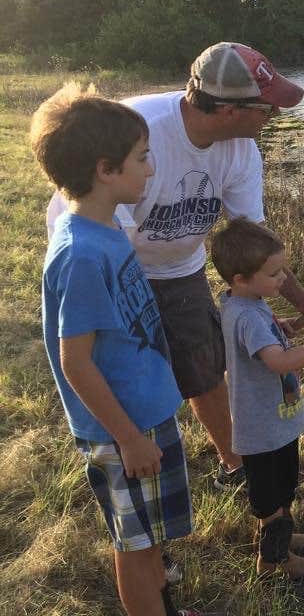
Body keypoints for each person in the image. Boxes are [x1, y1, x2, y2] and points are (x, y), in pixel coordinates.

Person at [46, 42, 304, 490]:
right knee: (131, 366)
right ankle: (129, 449)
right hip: (110, 257)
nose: (274, 117)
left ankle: (236, 465)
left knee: (203, 365)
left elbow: (251, 243)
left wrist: (298, 297)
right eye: (267, 108)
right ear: (226, 109)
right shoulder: (138, 139)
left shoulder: (241, 150)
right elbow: (111, 244)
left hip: (179, 262)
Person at [34, 84, 199, 616]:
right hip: (122, 428)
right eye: (142, 158)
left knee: (152, 537)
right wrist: (128, 439)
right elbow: (75, 361)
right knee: (135, 544)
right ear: (107, 170)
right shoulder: (81, 253)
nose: (150, 170)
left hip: (144, 410)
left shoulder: (106, 232)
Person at [210, 217, 304, 578]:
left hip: (272, 422)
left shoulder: (244, 303)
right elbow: (278, 361)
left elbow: (272, 337)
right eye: (275, 274)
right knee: (271, 497)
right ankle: (275, 561)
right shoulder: (248, 317)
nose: (284, 281)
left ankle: (279, 541)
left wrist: (298, 322)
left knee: (282, 487)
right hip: (263, 428)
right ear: (241, 278)